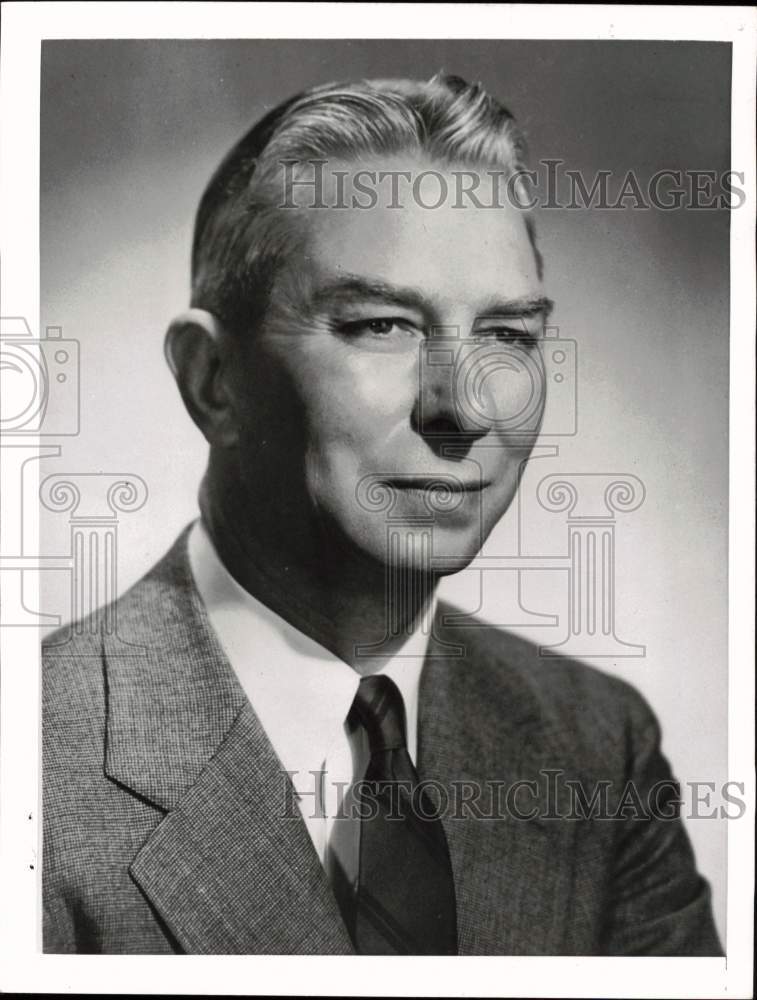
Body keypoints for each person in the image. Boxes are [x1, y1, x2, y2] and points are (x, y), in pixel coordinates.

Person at [42, 74, 722, 955]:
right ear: (213, 381)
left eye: (506, 336)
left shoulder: (596, 744)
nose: (464, 407)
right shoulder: (35, 758)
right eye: (381, 326)